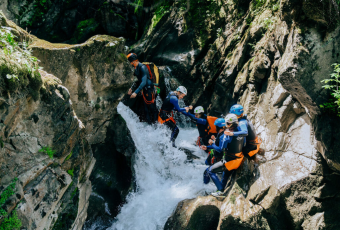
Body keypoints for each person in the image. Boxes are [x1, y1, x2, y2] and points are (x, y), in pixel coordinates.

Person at [203, 114, 247, 197]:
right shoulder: (240, 131)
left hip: (229, 161)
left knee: (210, 170)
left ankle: (220, 190)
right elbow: (244, 143)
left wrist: (212, 144)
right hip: (238, 158)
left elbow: (220, 149)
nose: (226, 126)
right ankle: (221, 190)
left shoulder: (226, 136)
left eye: (227, 124)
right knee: (225, 174)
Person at [126, 53, 158, 124]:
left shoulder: (142, 67)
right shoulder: (136, 68)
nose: (131, 64)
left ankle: (156, 125)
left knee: (152, 108)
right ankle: (149, 125)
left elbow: (143, 82)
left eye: (131, 63)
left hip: (149, 89)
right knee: (146, 109)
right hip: (144, 90)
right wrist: (130, 88)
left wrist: (135, 92)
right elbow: (135, 80)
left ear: (134, 61)